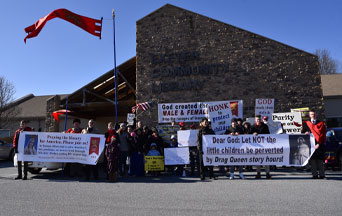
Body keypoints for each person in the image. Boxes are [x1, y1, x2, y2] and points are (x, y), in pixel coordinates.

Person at [301, 109, 326, 179]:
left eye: (314, 114)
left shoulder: (321, 123)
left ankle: (322, 175)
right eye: (311, 114)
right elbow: (302, 133)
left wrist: (318, 144)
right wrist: (305, 133)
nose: (313, 115)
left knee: (320, 161)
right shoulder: (306, 123)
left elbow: (322, 135)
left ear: (316, 115)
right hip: (310, 145)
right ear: (309, 115)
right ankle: (314, 175)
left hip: (319, 145)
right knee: (313, 161)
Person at [251, 115, 271, 179]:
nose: (258, 121)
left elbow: (268, 135)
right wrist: (253, 134)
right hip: (257, 146)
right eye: (257, 119)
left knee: (266, 160)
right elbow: (249, 135)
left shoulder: (265, 126)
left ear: (261, 120)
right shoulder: (252, 127)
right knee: (258, 160)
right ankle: (258, 173)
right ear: (255, 120)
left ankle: (267, 173)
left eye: (259, 119)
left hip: (264, 146)